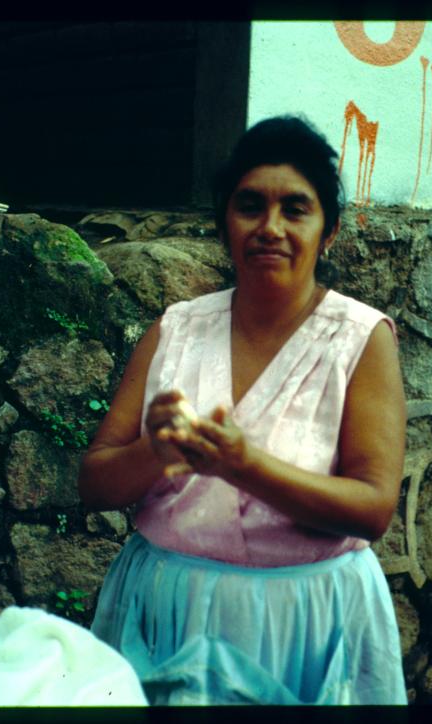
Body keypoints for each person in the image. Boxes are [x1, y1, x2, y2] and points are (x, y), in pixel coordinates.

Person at [78, 115, 407, 705]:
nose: (270, 228)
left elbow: (373, 508)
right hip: (171, 615)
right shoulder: (176, 330)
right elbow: (95, 483)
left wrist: (245, 466)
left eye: (295, 209)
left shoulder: (359, 339)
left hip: (307, 622)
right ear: (224, 224)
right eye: (250, 206)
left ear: (328, 231)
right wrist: (155, 452)